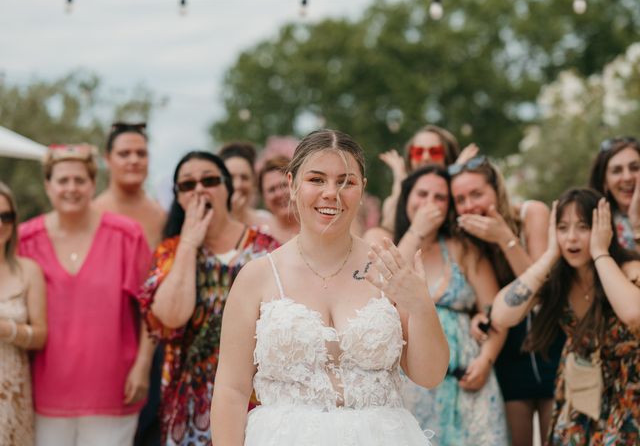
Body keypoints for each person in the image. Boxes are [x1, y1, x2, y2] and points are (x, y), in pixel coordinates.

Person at [210, 129, 449, 445]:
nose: (331, 193)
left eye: (346, 182)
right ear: (293, 185)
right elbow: (231, 390)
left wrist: (420, 304)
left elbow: (429, 375)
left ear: (361, 190)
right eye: (317, 180)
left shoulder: (388, 267)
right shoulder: (257, 277)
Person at [18, 144, 155, 446]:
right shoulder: (25, 239)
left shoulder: (126, 235)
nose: (71, 188)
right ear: (48, 185)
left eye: (80, 180)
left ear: (93, 184)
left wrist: (143, 366)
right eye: (63, 180)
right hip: (45, 392)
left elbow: (150, 308)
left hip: (114, 388)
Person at [139, 151, 278, 446]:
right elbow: (170, 316)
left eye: (210, 180)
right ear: (178, 197)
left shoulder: (267, 250)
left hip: (256, 398)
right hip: (189, 401)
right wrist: (189, 243)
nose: (199, 189)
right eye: (187, 185)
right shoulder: (170, 252)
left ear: (227, 188)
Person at [491, 188, 640, 444]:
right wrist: (549, 255)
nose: (572, 238)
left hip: (628, 392)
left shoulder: (628, 268)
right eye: (562, 227)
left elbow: (633, 314)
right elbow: (501, 315)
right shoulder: (558, 280)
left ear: (603, 228)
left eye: (583, 227)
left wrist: (600, 252)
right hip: (578, 394)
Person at [449, 156, 563, 446]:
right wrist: (479, 315)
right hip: (510, 356)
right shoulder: (470, 241)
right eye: (461, 199)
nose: (470, 205)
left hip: (553, 345)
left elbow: (539, 289)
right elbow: (482, 300)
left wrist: (504, 238)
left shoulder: (531, 214)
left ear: (496, 190)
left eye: (477, 194)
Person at [394, 165, 509, 445]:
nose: (430, 203)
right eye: (422, 193)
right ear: (406, 197)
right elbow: (383, 290)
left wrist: (486, 359)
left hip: (468, 384)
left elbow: (495, 310)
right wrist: (416, 232)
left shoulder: (463, 248)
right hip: (410, 387)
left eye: (440, 197)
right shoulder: (388, 243)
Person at [94, 122, 167, 446]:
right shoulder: (91, 212)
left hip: (154, 343)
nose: (134, 160)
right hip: (103, 343)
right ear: (108, 159)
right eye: (124, 153)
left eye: (141, 153)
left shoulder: (162, 216)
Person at [0, 182, 47, 446]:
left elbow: (41, 336)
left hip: (13, 394)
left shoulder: (28, 270)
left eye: (5, 216)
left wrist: (8, 330)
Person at [376, 125, 478, 234]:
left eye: (434, 152)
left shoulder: (460, 195)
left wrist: (456, 173)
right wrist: (400, 181)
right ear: (410, 159)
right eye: (418, 152)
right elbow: (387, 231)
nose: (425, 157)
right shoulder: (393, 200)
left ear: (447, 157)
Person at [588, 136, 640, 252]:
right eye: (616, 171)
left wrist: (637, 226)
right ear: (604, 181)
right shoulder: (595, 226)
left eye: (635, 168)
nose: (627, 177)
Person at [219, 142, 273, 229]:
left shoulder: (267, 220)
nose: (238, 185)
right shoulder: (209, 225)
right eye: (231, 177)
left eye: (244, 178)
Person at [257, 155, 299, 243]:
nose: (279, 194)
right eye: (271, 190)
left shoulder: (319, 226)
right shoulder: (257, 238)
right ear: (264, 198)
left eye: (284, 185)